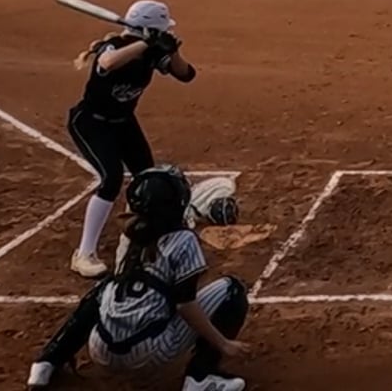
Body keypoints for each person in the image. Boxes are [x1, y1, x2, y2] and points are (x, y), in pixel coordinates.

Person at [27, 165, 252, 391]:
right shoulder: (184, 241)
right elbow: (185, 305)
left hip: (101, 347)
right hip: (149, 351)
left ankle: (47, 361)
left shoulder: (128, 234)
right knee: (232, 291)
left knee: (106, 288)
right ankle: (200, 378)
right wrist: (223, 343)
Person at [67, 0, 198, 278]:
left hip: (123, 122)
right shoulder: (113, 46)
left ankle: (144, 237)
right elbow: (107, 62)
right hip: (91, 122)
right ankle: (84, 254)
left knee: (147, 178)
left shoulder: (152, 52)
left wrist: (172, 50)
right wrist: (146, 43)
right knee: (111, 178)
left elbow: (186, 74)